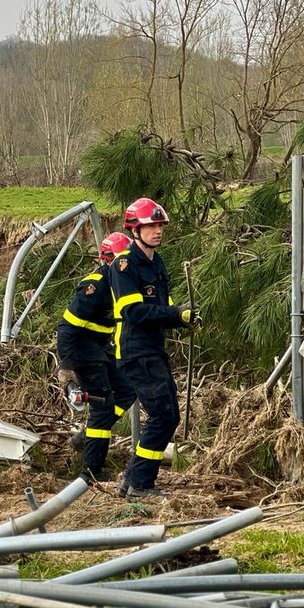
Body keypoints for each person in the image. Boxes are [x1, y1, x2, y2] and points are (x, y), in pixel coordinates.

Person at [109, 198, 200, 499]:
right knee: (162, 416)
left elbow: (163, 307)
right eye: (151, 225)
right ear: (135, 229)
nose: (157, 230)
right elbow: (133, 312)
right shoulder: (124, 266)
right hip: (136, 352)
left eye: (159, 225)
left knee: (169, 415)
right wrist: (175, 315)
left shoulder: (156, 262)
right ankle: (140, 485)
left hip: (152, 349)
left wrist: (183, 319)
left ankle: (131, 479)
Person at [57, 232, 137, 482]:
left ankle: (86, 437)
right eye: (121, 261)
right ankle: (91, 471)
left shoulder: (122, 282)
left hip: (101, 349)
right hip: (83, 352)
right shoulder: (95, 286)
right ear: (107, 260)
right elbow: (67, 327)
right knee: (102, 407)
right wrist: (66, 367)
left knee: (127, 390)